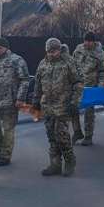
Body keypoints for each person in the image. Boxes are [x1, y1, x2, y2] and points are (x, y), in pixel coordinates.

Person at [32, 38, 83, 177]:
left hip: (63, 105)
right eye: (49, 51)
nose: (51, 54)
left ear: (59, 50)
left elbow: (78, 83)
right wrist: (35, 101)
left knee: (61, 135)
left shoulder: (68, 62)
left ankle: (70, 160)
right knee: (51, 136)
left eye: (54, 51)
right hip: (47, 105)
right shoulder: (43, 63)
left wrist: (74, 102)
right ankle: (55, 164)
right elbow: (37, 84)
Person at [0, 37, 30, 166]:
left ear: (6, 47)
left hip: (10, 101)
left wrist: (20, 98)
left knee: (8, 129)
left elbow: (25, 80)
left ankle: (5, 155)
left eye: (0, 48)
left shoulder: (17, 60)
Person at [71, 32, 104, 146]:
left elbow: (102, 72)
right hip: (77, 85)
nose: (86, 43)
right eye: (85, 41)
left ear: (93, 41)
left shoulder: (99, 53)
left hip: (91, 87)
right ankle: (77, 132)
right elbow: (72, 64)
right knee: (73, 109)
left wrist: (100, 88)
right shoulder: (79, 49)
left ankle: (88, 136)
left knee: (89, 113)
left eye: (89, 41)